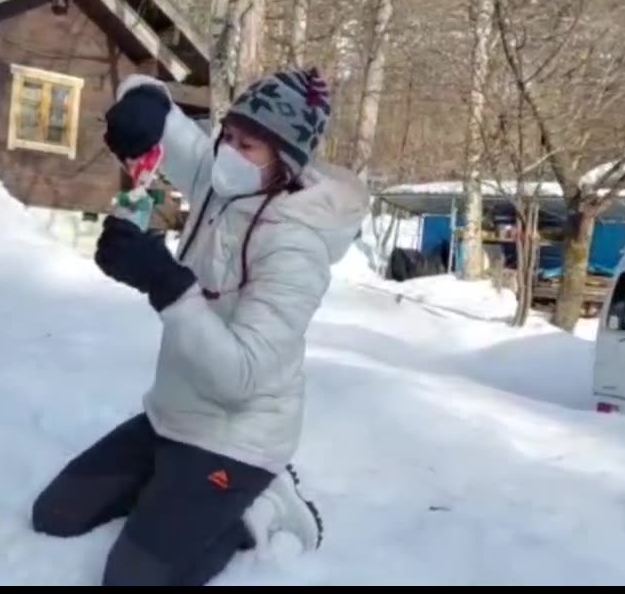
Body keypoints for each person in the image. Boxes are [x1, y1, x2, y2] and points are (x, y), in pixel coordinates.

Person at [31, 69, 370, 585]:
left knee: (132, 580)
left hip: (237, 436)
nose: (229, 153)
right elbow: (161, 116)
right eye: (227, 136)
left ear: (285, 160)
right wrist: (141, 106)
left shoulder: (296, 250)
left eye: (247, 145)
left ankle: (258, 510)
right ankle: (178, 496)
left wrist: (164, 281)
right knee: (54, 515)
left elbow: (240, 377)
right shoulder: (221, 183)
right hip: (171, 416)